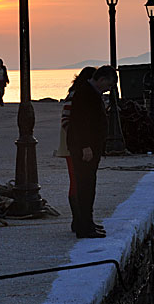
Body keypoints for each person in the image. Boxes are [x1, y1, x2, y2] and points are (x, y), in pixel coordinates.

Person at [66, 65, 116, 239]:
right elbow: (80, 122)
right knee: (85, 187)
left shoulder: (91, 92)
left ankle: (87, 223)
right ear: (101, 79)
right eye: (109, 85)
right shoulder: (85, 93)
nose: (109, 89)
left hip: (91, 147)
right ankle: (84, 228)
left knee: (89, 186)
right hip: (84, 149)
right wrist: (85, 146)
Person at [55, 67, 97, 235]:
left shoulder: (78, 93)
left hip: (73, 144)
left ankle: (81, 220)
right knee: (77, 183)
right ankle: (78, 221)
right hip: (71, 146)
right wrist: (78, 141)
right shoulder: (76, 95)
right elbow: (66, 120)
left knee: (79, 182)